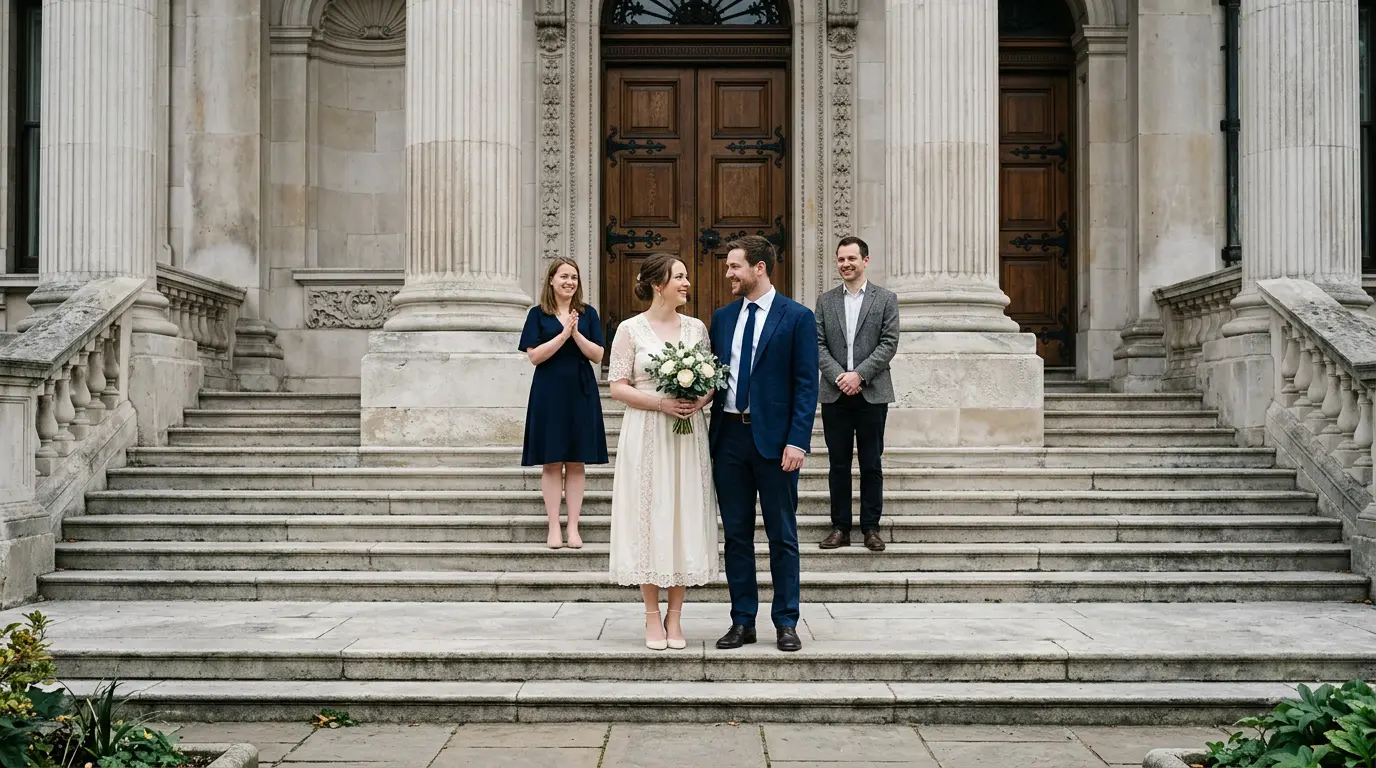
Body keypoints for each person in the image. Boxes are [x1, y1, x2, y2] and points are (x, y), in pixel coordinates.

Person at [708, 235, 819, 653]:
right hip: (730, 438)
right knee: (736, 536)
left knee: (782, 535)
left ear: (759, 267)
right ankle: (742, 621)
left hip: (776, 444)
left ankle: (786, 621)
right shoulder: (721, 318)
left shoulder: (797, 317)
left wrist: (798, 441)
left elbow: (807, 385)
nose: (728, 273)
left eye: (735, 266)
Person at [606, 253, 718, 651]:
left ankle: (676, 617)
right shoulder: (630, 330)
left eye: (686, 277)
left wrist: (696, 401)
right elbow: (617, 385)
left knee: (684, 515)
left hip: (687, 435)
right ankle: (652, 616)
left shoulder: (697, 329)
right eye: (680, 277)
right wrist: (660, 404)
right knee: (649, 517)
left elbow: (711, 379)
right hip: (647, 431)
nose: (687, 283)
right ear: (658, 284)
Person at [815, 236, 900, 552]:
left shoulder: (886, 299)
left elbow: (889, 343)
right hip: (835, 393)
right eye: (841, 259)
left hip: (872, 393)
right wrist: (840, 376)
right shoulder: (825, 301)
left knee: (871, 463)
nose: (846, 264)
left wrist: (859, 375)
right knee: (837, 463)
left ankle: (871, 528)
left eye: (851, 258)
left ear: (865, 260)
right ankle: (840, 528)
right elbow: (818, 344)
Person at [519, 257, 608, 550]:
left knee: (577, 460)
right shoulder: (537, 314)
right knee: (552, 460)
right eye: (564, 277)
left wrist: (576, 332)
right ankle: (553, 526)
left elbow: (597, 355)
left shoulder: (588, 314)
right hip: (549, 391)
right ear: (552, 281)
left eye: (574, 277)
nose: (570, 282)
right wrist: (563, 334)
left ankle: (573, 527)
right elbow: (535, 356)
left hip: (580, 390)